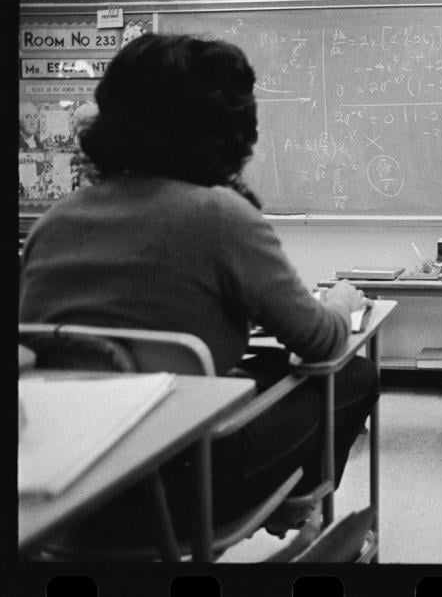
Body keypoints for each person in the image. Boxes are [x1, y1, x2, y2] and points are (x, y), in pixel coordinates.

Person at [19, 33, 378, 543]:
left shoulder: (54, 222)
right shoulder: (219, 214)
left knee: (266, 368)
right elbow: (319, 342)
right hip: (189, 486)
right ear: (228, 130)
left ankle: (292, 509)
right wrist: (340, 303)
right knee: (354, 374)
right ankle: (295, 506)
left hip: (68, 481)